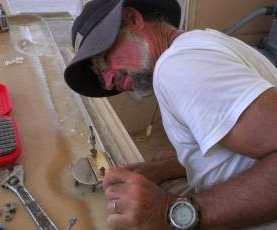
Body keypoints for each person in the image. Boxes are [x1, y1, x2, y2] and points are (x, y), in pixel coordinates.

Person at [64, 0, 277, 229]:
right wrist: (172, 166)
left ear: (133, 20)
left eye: (104, 60)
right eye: (100, 78)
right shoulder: (207, 42)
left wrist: (170, 212)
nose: (108, 82)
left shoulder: (177, 68)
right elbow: (239, 153)